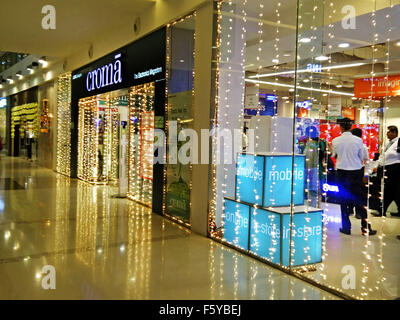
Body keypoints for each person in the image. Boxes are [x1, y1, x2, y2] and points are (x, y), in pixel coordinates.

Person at [332, 118, 377, 236]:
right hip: (356, 173)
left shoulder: (335, 140)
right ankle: (365, 228)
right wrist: (366, 174)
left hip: (341, 173)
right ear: (351, 127)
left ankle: (346, 227)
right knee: (360, 200)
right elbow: (364, 158)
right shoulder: (358, 141)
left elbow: (335, 156)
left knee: (343, 200)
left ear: (341, 127)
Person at [371, 129, 400, 218]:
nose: (387, 134)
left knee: (391, 191)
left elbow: (392, 154)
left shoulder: (398, 141)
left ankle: (382, 211)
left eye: (389, 132)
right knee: (393, 191)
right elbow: (384, 156)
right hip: (388, 168)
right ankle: (382, 210)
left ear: (395, 133)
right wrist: (377, 164)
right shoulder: (389, 144)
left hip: (395, 168)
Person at [347, 128, 369, 219]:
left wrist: (366, 174)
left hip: (353, 172)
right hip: (358, 171)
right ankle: (355, 211)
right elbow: (366, 161)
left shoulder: (361, 146)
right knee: (357, 194)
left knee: (354, 193)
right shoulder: (362, 146)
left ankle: (353, 211)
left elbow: (366, 161)